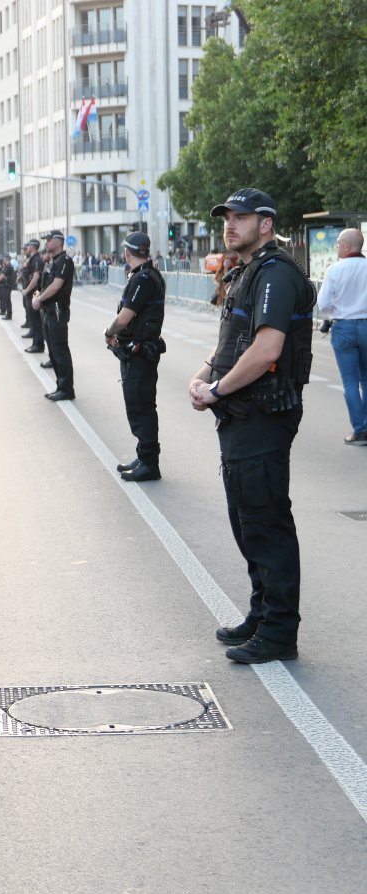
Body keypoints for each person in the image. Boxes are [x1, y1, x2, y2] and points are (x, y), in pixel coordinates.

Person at [187, 188, 315, 664]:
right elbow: (233, 341)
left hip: (263, 414)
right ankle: (262, 613)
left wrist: (217, 391)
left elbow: (265, 351)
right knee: (246, 521)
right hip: (241, 416)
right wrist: (204, 375)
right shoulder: (246, 272)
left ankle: (280, 631)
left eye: (240, 217)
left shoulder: (276, 274)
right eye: (226, 217)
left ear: (266, 223)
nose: (230, 224)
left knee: (266, 523)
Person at [104, 232, 165, 481]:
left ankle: (150, 464)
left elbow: (126, 316)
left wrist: (109, 332)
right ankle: (144, 457)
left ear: (128, 253)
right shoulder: (148, 275)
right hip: (137, 351)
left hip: (140, 353)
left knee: (141, 407)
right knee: (139, 406)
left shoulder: (143, 279)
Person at [315, 227, 367, 444]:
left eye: (337, 243)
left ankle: (360, 429)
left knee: (350, 383)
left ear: (346, 246)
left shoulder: (335, 270)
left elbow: (323, 303)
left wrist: (335, 309)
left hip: (344, 328)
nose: (336, 246)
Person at [33, 231, 76, 401]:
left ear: (58, 242)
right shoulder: (52, 262)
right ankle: (60, 386)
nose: (47, 243)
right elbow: (46, 284)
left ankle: (66, 389)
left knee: (60, 351)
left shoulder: (64, 261)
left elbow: (56, 286)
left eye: (49, 240)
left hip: (58, 309)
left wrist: (39, 298)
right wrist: (38, 296)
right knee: (52, 351)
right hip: (48, 310)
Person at [19, 239, 44, 350]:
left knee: (36, 320)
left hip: (34, 292)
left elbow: (36, 277)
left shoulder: (37, 259)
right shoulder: (31, 259)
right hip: (31, 293)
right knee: (33, 319)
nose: (26, 248)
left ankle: (38, 344)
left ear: (32, 247)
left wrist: (27, 290)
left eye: (28, 245)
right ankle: (35, 343)